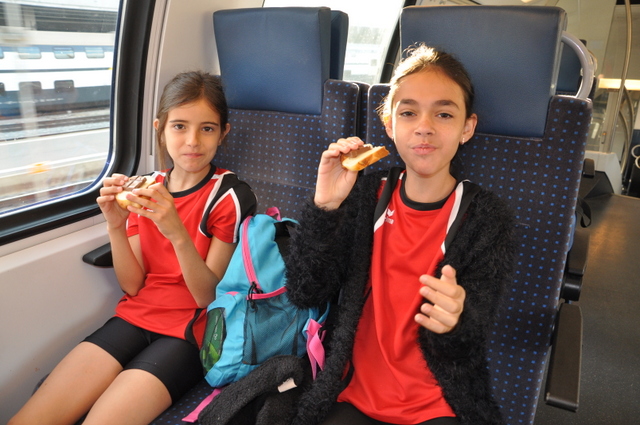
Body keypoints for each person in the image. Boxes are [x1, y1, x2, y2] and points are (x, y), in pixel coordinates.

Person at [284, 45, 517, 425]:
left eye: (444, 114)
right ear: (389, 124)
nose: (424, 126)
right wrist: (325, 207)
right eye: (408, 112)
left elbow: (469, 339)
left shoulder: (486, 219)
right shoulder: (365, 195)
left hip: (437, 403)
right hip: (354, 392)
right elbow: (305, 291)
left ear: (467, 128)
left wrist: (455, 320)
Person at [9, 71, 257, 425]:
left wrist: (177, 233)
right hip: (134, 316)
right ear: (160, 128)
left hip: (190, 331)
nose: (192, 141)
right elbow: (133, 285)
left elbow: (206, 297)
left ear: (223, 133)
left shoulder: (229, 195)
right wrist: (115, 224)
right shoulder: (146, 188)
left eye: (207, 128)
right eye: (179, 126)